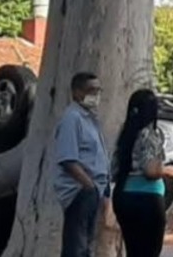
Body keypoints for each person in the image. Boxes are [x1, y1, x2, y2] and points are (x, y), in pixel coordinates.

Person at [111, 89, 173, 257]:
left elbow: (114, 167)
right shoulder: (149, 134)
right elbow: (150, 170)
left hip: (124, 195)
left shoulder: (126, 133)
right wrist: (167, 170)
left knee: (133, 251)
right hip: (147, 199)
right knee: (149, 251)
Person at [54, 72, 110, 257]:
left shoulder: (90, 119)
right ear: (76, 92)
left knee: (86, 247)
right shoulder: (72, 118)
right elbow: (68, 158)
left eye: (98, 90)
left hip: (94, 191)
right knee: (76, 247)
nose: (96, 95)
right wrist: (88, 185)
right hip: (80, 191)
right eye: (91, 90)